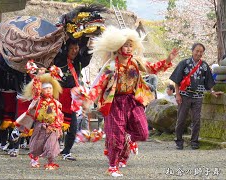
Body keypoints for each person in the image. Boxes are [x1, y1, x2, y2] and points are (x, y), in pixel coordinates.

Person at [84, 26, 178, 177]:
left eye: (130, 45)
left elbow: (152, 68)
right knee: (116, 136)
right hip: (115, 103)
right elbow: (100, 83)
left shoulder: (136, 62)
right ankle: (112, 166)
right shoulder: (111, 65)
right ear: (118, 46)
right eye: (125, 45)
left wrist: (168, 59)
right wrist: (88, 99)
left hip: (133, 101)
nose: (128, 48)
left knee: (143, 132)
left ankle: (130, 140)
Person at [169, 43, 224, 150]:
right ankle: (179, 141)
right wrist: (178, 95)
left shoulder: (204, 66)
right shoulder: (184, 63)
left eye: (201, 52)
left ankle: (194, 141)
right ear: (192, 51)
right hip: (184, 95)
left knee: (197, 119)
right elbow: (177, 80)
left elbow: (208, 81)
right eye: (197, 51)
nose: (198, 53)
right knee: (181, 119)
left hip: (198, 96)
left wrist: (212, 92)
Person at [54, 37, 93, 161]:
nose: (74, 51)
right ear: (66, 49)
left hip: (71, 99)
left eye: (76, 48)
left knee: (73, 126)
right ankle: (52, 148)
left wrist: (89, 47)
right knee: (55, 125)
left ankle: (66, 151)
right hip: (58, 97)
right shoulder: (59, 60)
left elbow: (85, 59)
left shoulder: (77, 63)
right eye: (71, 48)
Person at [17, 70, 64, 170]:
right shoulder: (38, 100)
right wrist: (38, 76)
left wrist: (58, 126)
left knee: (52, 144)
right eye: (46, 88)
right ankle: (34, 158)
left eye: (50, 88)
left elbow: (59, 115)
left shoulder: (56, 102)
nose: (48, 90)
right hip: (40, 126)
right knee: (37, 145)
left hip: (52, 127)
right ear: (41, 90)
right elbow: (36, 90)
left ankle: (50, 162)